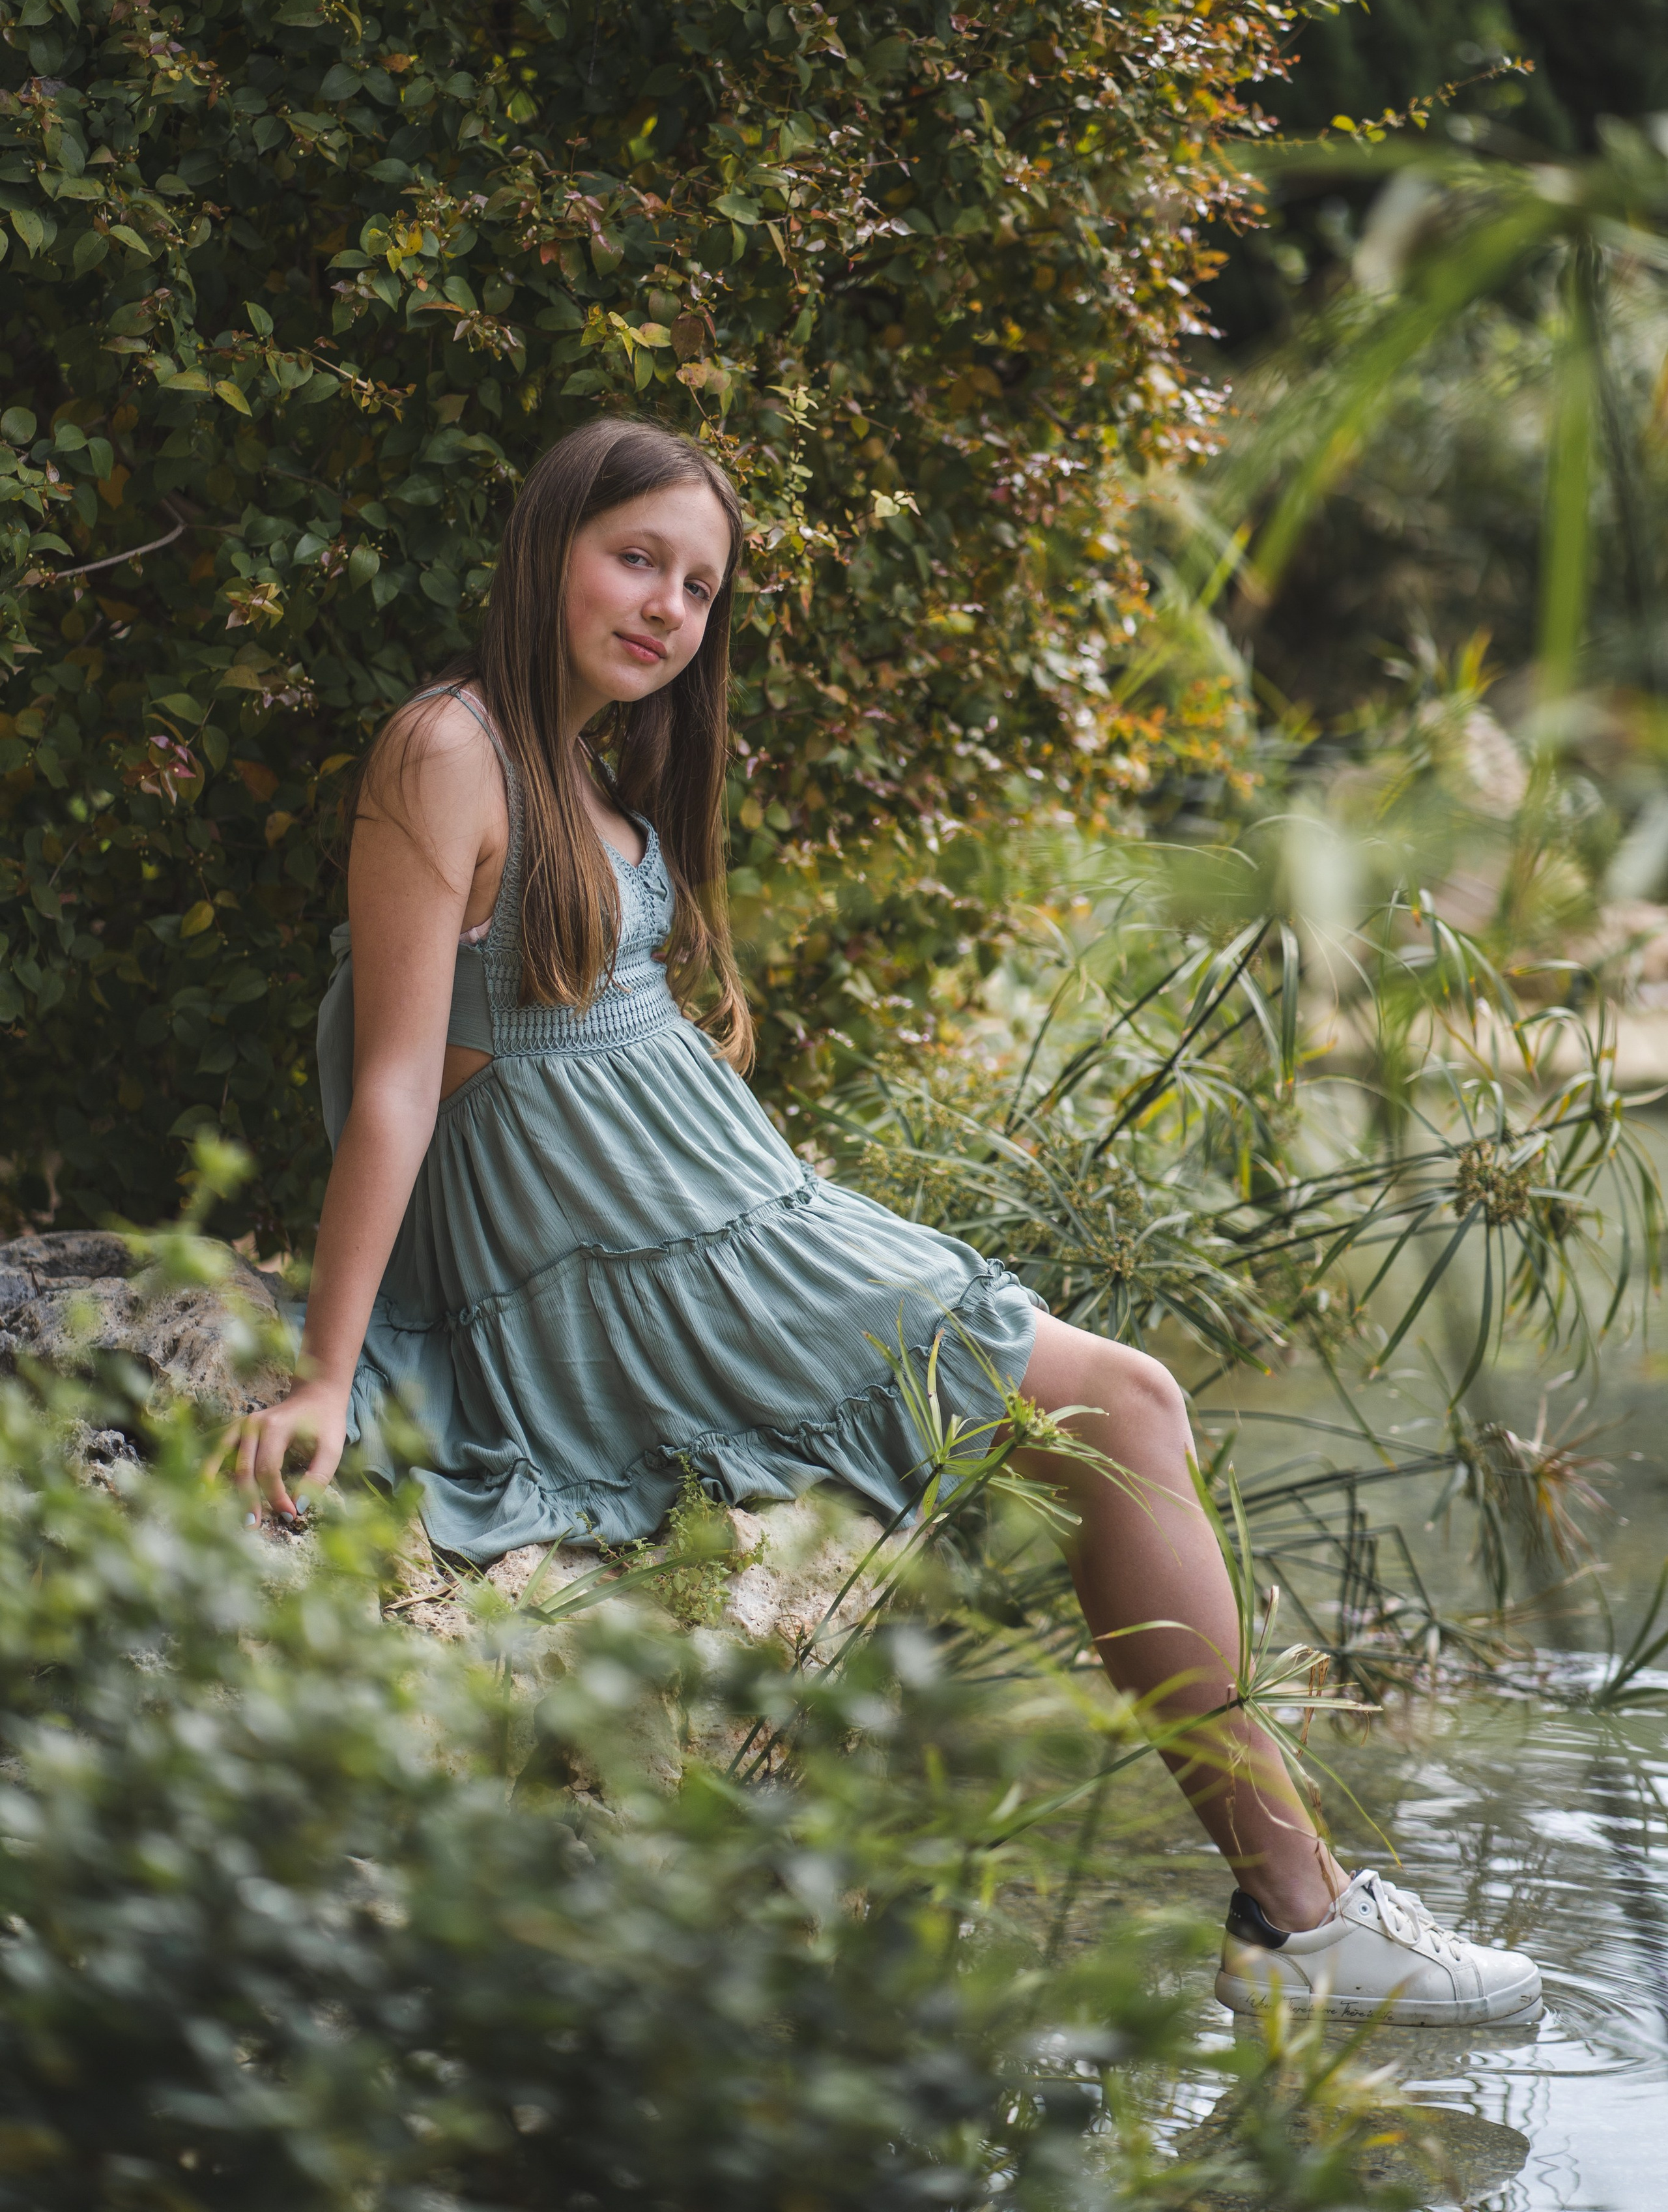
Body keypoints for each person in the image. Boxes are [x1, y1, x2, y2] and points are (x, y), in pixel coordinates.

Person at [233, 416, 1540, 2027]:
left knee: (1126, 1410)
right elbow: (396, 1085)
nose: (666, 608)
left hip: (725, 1219)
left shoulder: (582, 770)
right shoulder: (447, 747)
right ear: (543, 546)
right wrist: (325, 1372)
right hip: (638, 1267)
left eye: (698, 588)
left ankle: (1295, 1909)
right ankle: (1297, 1913)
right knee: (1124, 1405)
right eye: (636, 559)